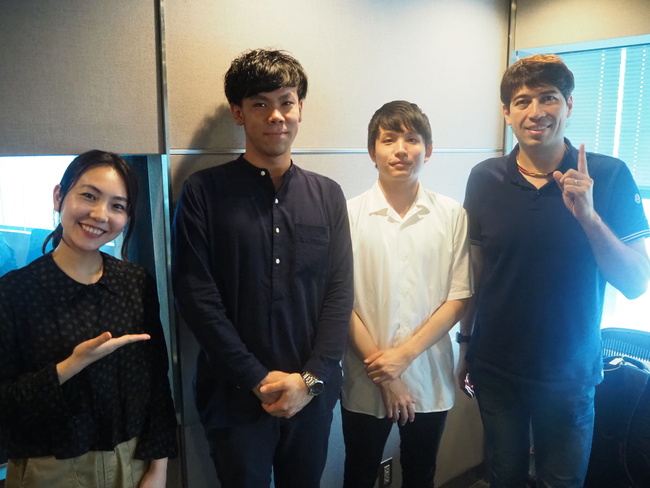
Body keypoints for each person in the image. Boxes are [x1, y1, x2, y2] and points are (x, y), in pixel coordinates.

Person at [458, 54, 650, 488]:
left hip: (569, 374)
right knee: (503, 477)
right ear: (506, 112)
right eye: (522, 101)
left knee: (560, 482)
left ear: (569, 105)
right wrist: (465, 346)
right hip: (495, 368)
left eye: (549, 98)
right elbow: (478, 272)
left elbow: (636, 283)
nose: (536, 111)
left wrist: (589, 217)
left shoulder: (608, 175)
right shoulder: (484, 177)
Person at [172, 49, 353, 488]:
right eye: (260, 104)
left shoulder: (328, 195)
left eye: (286, 102)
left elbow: (339, 292)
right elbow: (196, 297)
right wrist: (255, 378)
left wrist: (310, 380)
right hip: (233, 397)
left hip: (311, 396)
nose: (276, 115)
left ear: (300, 108)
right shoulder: (203, 192)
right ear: (238, 112)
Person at [0, 150, 178, 488]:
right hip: (50, 468)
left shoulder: (135, 283)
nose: (100, 214)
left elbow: (156, 379)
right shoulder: (14, 292)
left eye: (117, 205)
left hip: (132, 461)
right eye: (89, 196)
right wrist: (70, 366)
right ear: (59, 196)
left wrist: (159, 467)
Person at [341, 100, 472, 488]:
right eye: (388, 140)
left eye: (412, 140)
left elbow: (459, 297)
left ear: (428, 150)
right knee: (358, 473)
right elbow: (338, 302)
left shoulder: (451, 214)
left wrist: (403, 357)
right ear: (372, 152)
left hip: (428, 375)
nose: (401, 149)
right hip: (365, 377)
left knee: (421, 473)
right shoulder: (346, 215)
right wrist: (385, 374)